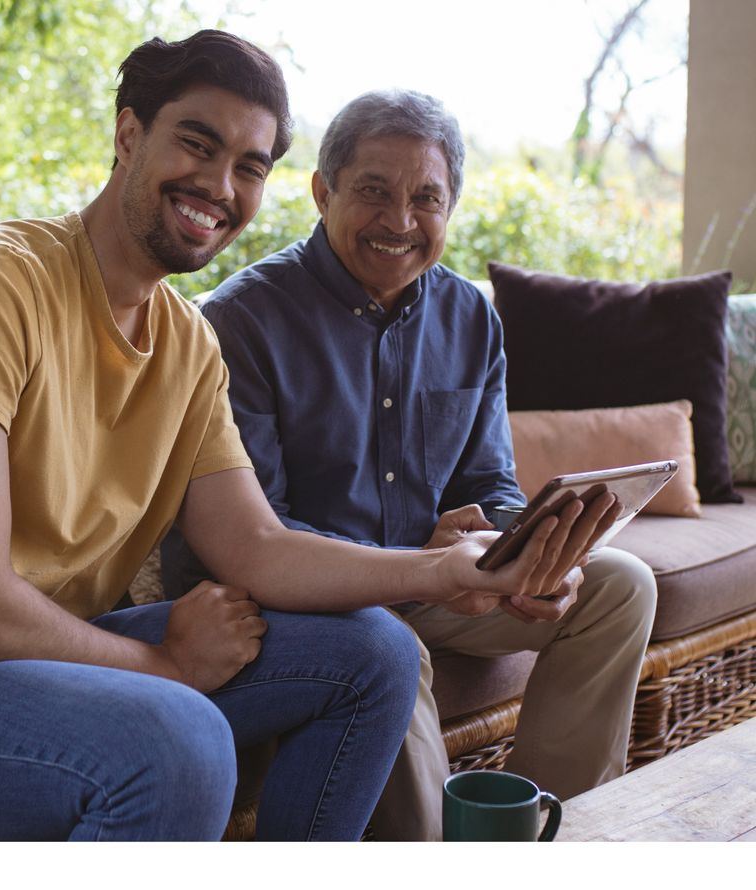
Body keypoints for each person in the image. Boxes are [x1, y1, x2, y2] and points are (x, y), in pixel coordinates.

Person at [0, 40, 605, 842]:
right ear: (129, 135)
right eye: (197, 143)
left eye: (249, 166)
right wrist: (161, 662)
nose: (219, 184)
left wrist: (445, 572)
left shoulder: (186, 343)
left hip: (44, 658)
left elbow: (257, 548)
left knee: (377, 652)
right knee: (181, 738)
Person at [163, 88, 656, 840]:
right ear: (323, 192)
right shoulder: (241, 323)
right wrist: (419, 566)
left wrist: (525, 549)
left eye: (426, 198)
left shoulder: (470, 317)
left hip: (429, 578)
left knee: (619, 586)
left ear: (451, 208)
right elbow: (251, 537)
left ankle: (547, 835)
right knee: (390, 648)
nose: (400, 221)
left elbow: (487, 483)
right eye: (373, 192)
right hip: (303, 602)